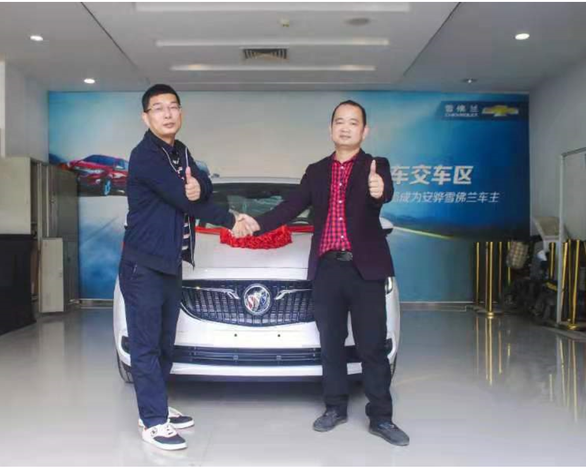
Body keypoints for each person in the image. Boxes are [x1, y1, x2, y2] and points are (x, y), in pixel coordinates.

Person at [235, 100, 409, 446]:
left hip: (366, 270)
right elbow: (289, 207)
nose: (345, 127)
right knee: (330, 343)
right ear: (331, 129)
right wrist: (255, 223)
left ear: (364, 131)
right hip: (328, 269)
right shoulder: (316, 171)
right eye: (339, 122)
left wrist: (380, 189)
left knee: (372, 346)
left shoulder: (376, 166)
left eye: (353, 122)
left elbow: (383, 193)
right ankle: (335, 407)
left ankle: (381, 417)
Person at [119, 84, 254, 451]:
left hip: (169, 264)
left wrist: (199, 187)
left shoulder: (181, 151)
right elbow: (185, 199)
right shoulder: (145, 156)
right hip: (143, 266)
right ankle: (152, 422)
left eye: (173, 107)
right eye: (158, 108)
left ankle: (158, 407)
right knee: (146, 345)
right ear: (145, 117)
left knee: (165, 344)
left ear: (181, 113)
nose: (167, 114)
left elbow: (202, 184)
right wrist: (231, 219)